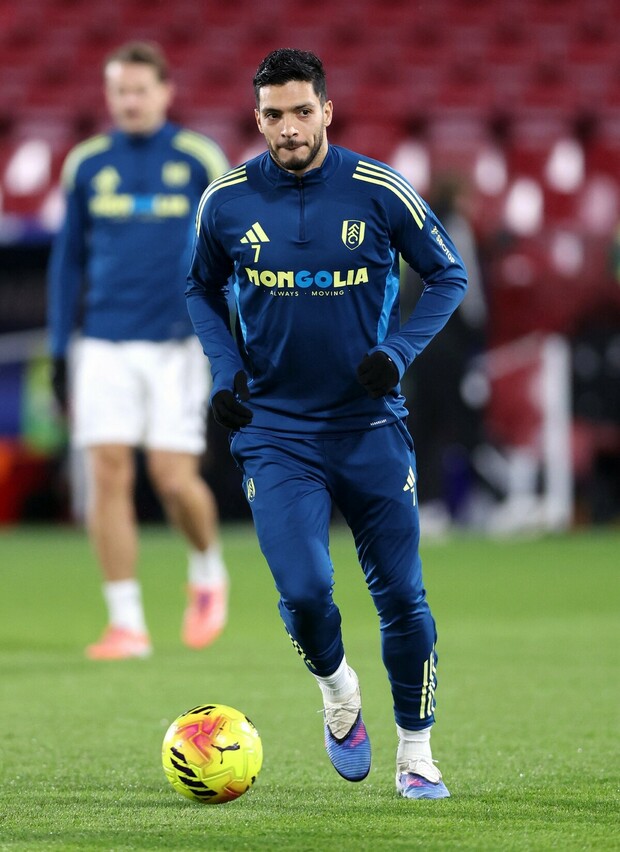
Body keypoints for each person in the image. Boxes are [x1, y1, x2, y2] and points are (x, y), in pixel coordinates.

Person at [186, 49, 467, 799]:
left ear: (327, 111)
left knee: (402, 597)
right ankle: (338, 693)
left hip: (369, 424)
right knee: (307, 591)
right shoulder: (226, 201)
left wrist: (399, 350)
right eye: (273, 115)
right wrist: (224, 368)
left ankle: (416, 754)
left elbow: (448, 272)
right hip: (274, 430)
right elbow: (198, 287)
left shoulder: (378, 189)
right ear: (258, 119)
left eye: (301, 111)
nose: (288, 128)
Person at [47, 41, 231, 660]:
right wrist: (58, 348)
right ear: (109, 96)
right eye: (119, 91)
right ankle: (127, 623)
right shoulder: (87, 164)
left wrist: (233, 339)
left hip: (177, 343)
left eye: (140, 90)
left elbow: (232, 254)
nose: (129, 101)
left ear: (165, 92)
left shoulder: (200, 158)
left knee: (173, 479)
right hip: (102, 341)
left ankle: (207, 568)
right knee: (107, 473)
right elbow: (66, 261)